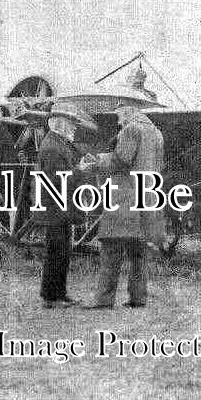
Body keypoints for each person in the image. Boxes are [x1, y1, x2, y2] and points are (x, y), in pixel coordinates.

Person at [79, 103, 165, 309]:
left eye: (119, 110)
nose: (116, 115)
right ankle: (138, 298)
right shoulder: (157, 133)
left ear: (129, 110)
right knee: (139, 251)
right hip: (149, 199)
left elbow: (120, 160)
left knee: (111, 249)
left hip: (125, 199)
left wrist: (96, 162)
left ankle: (103, 300)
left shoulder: (130, 129)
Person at [36, 105, 87, 309]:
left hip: (61, 208)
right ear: (60, 123)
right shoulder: (52, 147)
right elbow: (55, 180)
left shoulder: (58, 143)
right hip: (55, 209)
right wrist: (79, 171)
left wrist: (77, 168)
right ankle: (50, 297)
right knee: (56, 251)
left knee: (63, 251)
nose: (74, 127)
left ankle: (60, 293)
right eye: (71, 123)